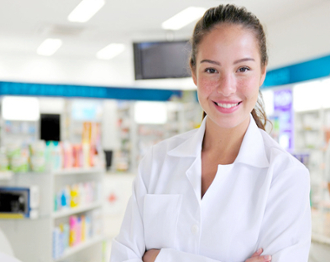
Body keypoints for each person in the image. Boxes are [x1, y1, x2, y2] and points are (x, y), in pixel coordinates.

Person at [110, 4, 311, 262]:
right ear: (193, 71)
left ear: (262, 71)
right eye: (211, 70)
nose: (227, 88)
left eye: (243, 69)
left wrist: (159, 258)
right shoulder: (157, 161)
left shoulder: (286, 177)